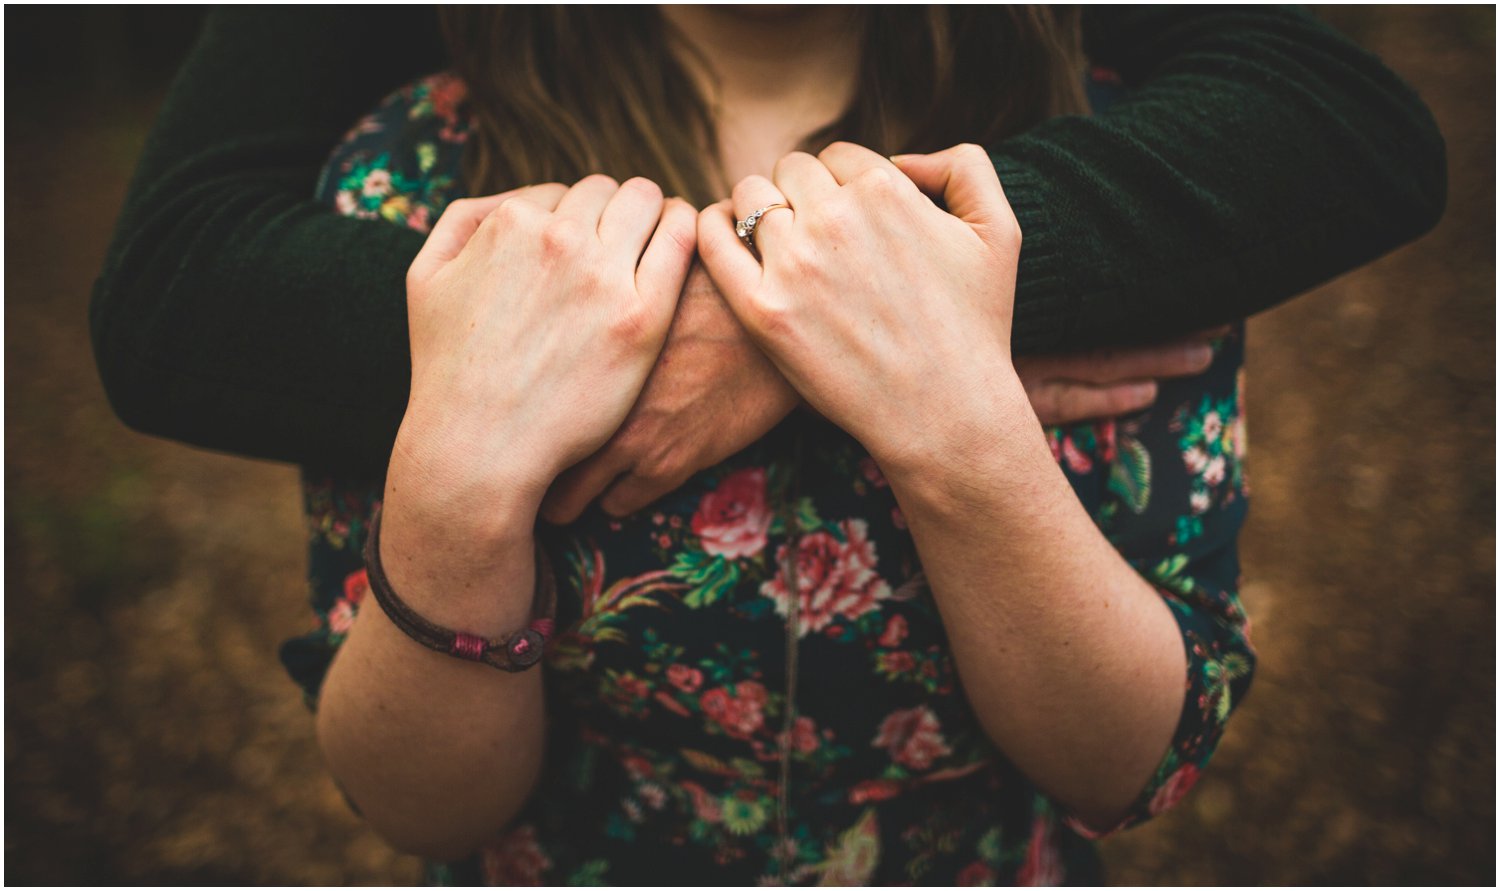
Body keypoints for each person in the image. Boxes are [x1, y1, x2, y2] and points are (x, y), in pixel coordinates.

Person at [90, 6, 1445, 886]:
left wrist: (954, 429)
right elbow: (414, 804)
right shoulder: (424, 190)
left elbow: (1131, 759)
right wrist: (457, 486)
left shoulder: (1101, 161)